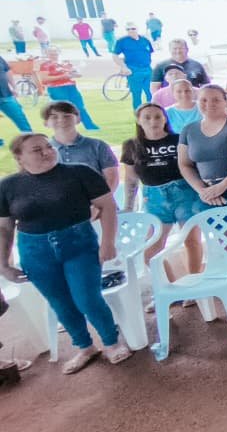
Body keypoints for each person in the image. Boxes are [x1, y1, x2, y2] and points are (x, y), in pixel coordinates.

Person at [0, 133, 132, 374]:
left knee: (87, 298)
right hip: (34, 251)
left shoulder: (79, 172)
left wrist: (108, 242)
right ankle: (84, 346)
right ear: (19, 157)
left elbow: (107, 206)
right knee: (59, 302)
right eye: (36, 150)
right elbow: (5, 228)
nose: (46, 152)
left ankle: (111, 341)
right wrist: (4, 263)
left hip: (78, 242)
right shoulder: (8, 186)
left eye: (48, 146)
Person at [120, 104, 203, 276]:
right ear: (139, 121)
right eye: (147, 117)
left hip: (184, 194)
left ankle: (194, 281)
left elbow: (194, 167)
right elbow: (130, 179)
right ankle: (171, 285)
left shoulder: (179, 139)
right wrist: (128, 205)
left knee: (191, 240)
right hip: (155, 199)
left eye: (158, 116)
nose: (153, 121)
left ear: (165, 118)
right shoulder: (132, 145)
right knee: (150, 250)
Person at [43, 101, 119, 191]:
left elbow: (112, 179)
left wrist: (102, 202)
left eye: (67, 116)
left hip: (96, 201)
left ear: (78, 119)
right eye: (54, 117)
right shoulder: (42, 150)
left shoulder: (97, 146)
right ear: (46, 123)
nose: (61, 120)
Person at [37, 46, 100, 130]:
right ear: (47, 54)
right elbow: (44, 79)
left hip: (71, 87)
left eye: (55, 53)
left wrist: (74, 73)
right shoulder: (45, 65)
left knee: (79, 107)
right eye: (51, 53)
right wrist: (62, 76)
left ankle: (90, 126)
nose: (54, 55)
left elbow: (78, 74)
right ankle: (64, 127)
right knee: (63, 109)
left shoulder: (65, 63)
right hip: (56, 88)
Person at [111, 22, 155, 108]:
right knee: (136, 94)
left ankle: (152, 112)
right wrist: (124, 67)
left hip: (147, 69)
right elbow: (115, 55)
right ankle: (138, 115)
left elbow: (149, 53)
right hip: (133, 70)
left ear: (137, 29)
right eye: (128, 29)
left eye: (133, 28)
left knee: (151, 92)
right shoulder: (122, 41)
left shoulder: (145, 40)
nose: (131, 31)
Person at [0, 56, 32, 134]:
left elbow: (7, 71)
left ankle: (29, 138)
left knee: (20, 118)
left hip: (6, 95)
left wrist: (14, 87)